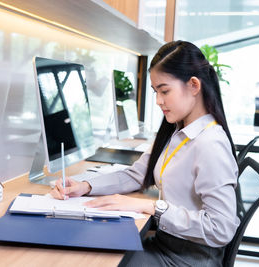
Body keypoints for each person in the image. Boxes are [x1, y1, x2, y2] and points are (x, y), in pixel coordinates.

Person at [50, 41, 240, 266]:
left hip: (187, 259)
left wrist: (152, 207)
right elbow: (136, 174)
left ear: (194, 86)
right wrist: (86, 187)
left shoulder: (210, 143)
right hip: (167, 245)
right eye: (155, 92)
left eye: (165, 91)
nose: (158, 101)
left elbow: (221, 228)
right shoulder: (180, 131)